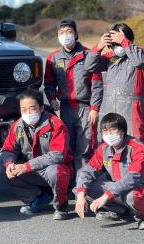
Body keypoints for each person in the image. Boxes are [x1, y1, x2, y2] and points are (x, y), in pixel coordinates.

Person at [0, 89, 73, 220]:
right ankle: (37, 198)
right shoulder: (17, 126)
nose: (27, 113)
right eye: (23, 109)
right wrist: (9, 164)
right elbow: (8, 149)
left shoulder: (56, 124)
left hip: (55, 169)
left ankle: (61, 205)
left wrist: (27, 166)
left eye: (32, 109)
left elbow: (58, 155)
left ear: (41, 108)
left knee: (56, 172)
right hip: (33, 169)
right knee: (1, 171)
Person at [74, 113, 144, 230]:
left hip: (143, 190)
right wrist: (80, 195)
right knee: (83, 188)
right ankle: (121, 211)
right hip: (118, 189)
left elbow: (133, 178)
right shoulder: (104, 148)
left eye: (112, 130)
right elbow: (87, 172)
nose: (108, 135)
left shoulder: (138, 149)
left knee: (133, 195)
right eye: (105, 131)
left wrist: (106, 196)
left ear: (122, 131)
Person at [44, 19, 103, 172]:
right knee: (67, 145)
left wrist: (95, 108)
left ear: (76, 34)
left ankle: (84, 183)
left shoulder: (89, 55)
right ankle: (69, 182)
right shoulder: (53, 58)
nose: (66, 36)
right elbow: (49, 83)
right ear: (57, 36)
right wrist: (51, 99)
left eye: (69, 32)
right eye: (61, 33)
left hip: (86, 108)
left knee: (85, 146)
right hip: (65, 108)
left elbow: (97, 84)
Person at [84, 23, 144, 143]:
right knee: (111, 141)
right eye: (114, 43)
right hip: (112, 106)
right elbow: (89, 66)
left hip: (132, 108)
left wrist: (124, 42)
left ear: (129, 38)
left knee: (135, 142)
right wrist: (99, 47)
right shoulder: (110, 57)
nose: (117, 46)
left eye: (119, 41)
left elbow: (140, 62)